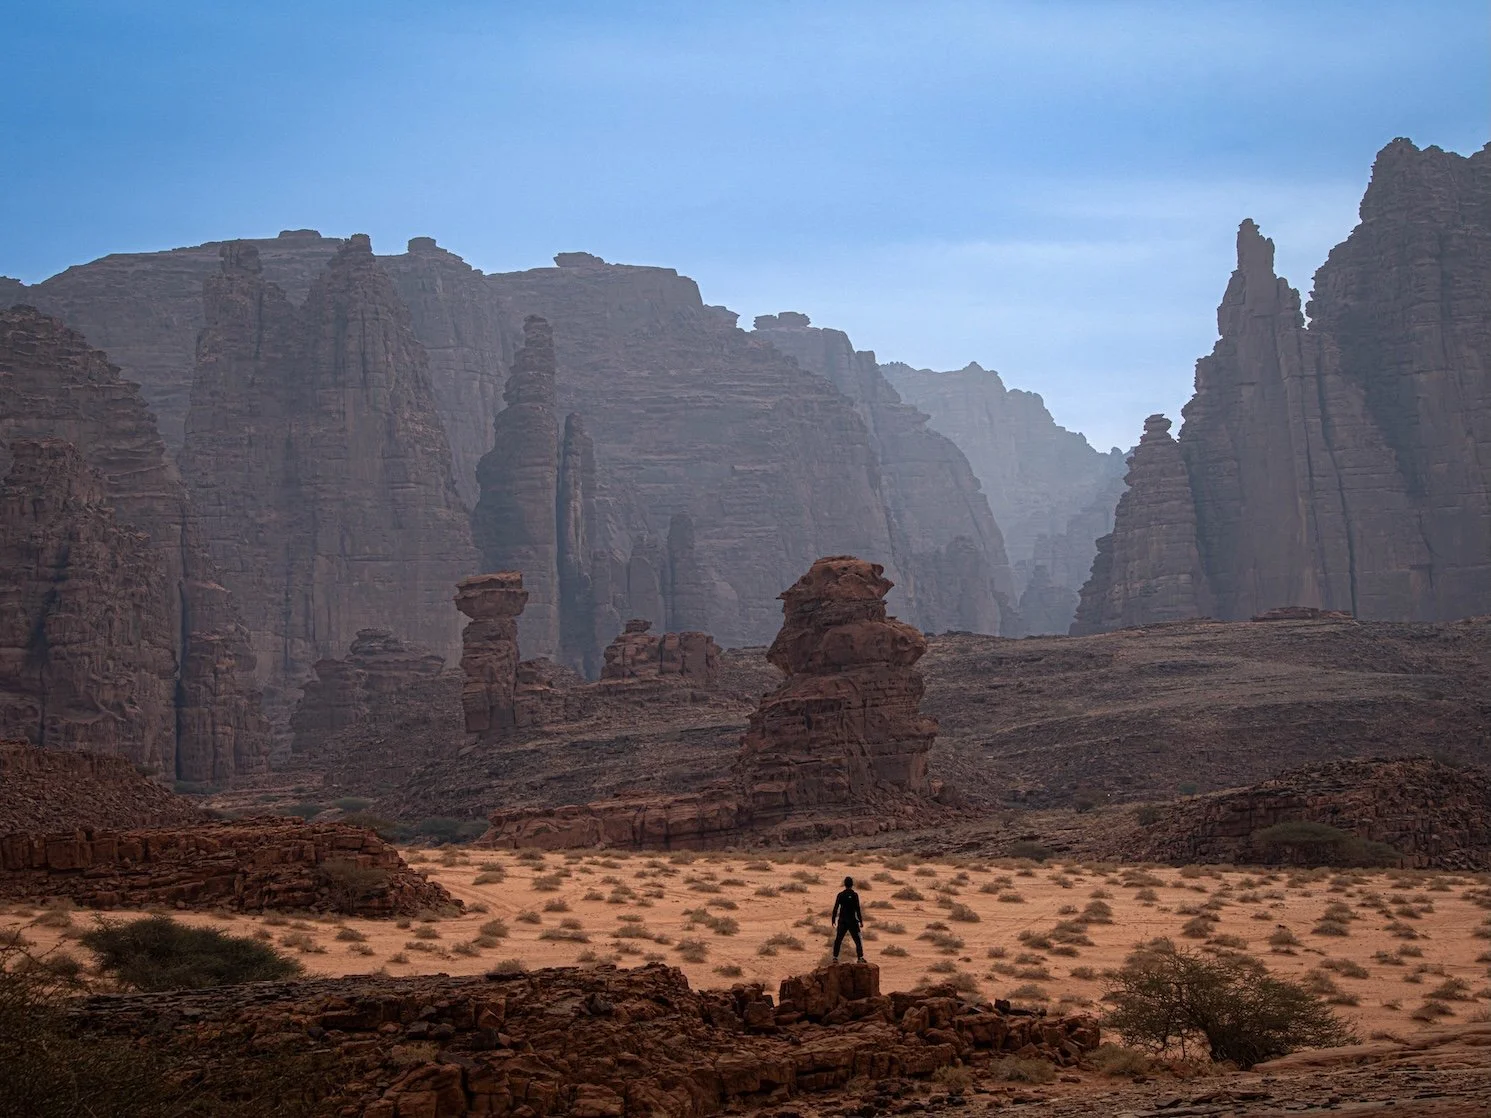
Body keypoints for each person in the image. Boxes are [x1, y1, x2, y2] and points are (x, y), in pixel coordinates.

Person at [830, 875, 864, 963]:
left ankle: (835, 958)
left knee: (838, 939)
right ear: (852, 884)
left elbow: (836, 908)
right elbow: (857, 909)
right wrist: (860, 921)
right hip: (852, 921)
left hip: (842, 921)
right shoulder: (854, 895)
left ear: (844, 884)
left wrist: (833, 920)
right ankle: (860, 958)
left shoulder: (840, 895)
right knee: (857, 940)